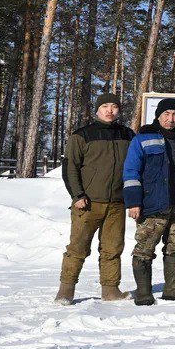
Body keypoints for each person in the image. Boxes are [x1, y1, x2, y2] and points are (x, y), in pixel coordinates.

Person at [55, 92, 135, 305]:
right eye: (105, 106)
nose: (110, 110)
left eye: (114, 106)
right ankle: (65, 291)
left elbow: (136, 166)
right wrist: (77, 195)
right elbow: (70, 168)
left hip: (117, 203)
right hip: (88, 203)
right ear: (97, 109)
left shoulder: (128, 135)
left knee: (113, 248)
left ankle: (110, 290)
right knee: (78, 248)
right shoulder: (82, 135)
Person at [122, 98, 175, 306]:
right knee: (145, 247)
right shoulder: (143, 138)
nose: (170, 119)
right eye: (166, 114)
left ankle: (173, 288)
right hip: (152, 204)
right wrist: (133, 202)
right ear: (158, 115)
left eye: (174, 115)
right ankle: (143, 292)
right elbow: (131, 171)